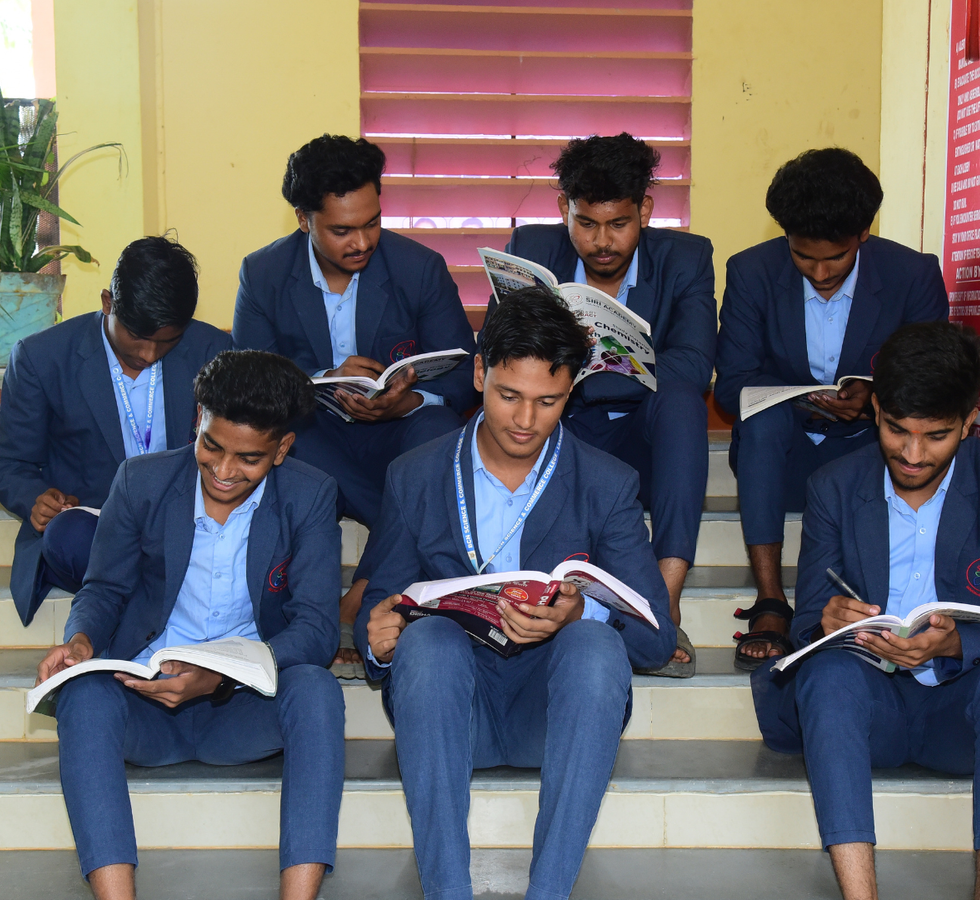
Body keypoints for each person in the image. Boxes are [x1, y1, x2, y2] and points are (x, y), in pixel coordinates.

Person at [354, 287, 676, 900]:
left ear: (571, 391)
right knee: (428, 643)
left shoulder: (606, 483)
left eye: (547, 401)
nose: (525, 420)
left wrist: (583, 613)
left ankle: (549, 891)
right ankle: (446, 891)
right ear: (479, 374)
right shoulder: (415, 474)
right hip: (450, 713)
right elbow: (382, 602)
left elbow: (657, 638)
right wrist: (378, 636)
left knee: (593, 646)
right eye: (509, 395)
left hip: (554, 717)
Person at [750, 322, 980, 900]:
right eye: (897, 430)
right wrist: (828, 621)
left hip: (959, 712)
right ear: (876, 409)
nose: (913, 454)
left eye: (936, 436)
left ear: (969, 421)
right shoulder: (835, 486)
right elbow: (806, 622)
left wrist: (955, 642)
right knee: (827, 674)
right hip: (869, 707)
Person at [36, 350, 345, 900]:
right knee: (82, 697)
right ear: (197, 420)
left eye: (248, 458)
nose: (224, 471)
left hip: (243, 708)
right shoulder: (141, 481)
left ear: (282, 450)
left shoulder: (310, 495)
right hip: (144, 701)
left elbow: (318, 629)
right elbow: (103, 590)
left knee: (317, 689)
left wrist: (221, 675)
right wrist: (80, 640)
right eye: (212, 447)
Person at [233, 133, 478, 676]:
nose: (363, 241)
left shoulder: (419, 267)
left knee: (440, 429)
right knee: (287, 443)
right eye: (343, 230)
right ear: (304, 220)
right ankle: (393, 540)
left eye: (373, 222)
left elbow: (466, 376)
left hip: (400, 433)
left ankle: (362, 590)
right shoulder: (264, 274)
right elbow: (248, 387)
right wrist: (320, 379)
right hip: (317, 436)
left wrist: (407, 401)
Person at [715, 148, 948, 670]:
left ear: (863, 234)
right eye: (803, 257)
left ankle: (853, 609)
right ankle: (771, 601)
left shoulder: (911, 275)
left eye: (836, 258)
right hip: (782, 453)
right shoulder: (752, 271)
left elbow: (933, 383)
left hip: (869, 453)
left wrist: (876, 398)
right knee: (761, 420)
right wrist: (801, 398)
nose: (820, 272)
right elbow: (731, 387)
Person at [492, 133, 715, 677]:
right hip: (561, 434)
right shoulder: (530, 250)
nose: (602, 242)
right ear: (563, 208)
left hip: (642, 437)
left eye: (618, 223)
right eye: (586, 223)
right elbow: (500, 351)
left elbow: (693, 364)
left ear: (645, 210)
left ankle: (662, 605)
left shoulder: (686, 259)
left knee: (682, 404)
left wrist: (597, 373)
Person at [0, 235, 233, 626]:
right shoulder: (42, 358)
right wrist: (37, 499)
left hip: (187, 521)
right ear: (107, 303)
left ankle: (140, 615)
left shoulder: (214, 351)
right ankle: (171, 610)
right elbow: (7, 464)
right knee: (68, 537)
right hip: (98, 526)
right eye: (138, 336)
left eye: (167, 341)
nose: (149, 354)